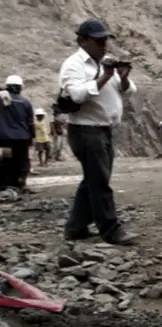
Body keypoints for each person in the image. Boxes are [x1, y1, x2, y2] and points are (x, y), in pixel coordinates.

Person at [58, 20, 138, 245]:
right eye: (99, 40)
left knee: (93, 179)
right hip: (85, 129)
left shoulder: (105, 63)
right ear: (83, 41)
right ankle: (110, 230)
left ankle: (76, 227)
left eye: (105, 40)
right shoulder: (73, 65)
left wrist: (121, 77)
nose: (104, 44)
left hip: (103, 129)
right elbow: (77, 95)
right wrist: (105, 75)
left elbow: (128, 91)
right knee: (99, 181)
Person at [0, 75, 34, 191]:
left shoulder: (1, 100)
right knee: (22, 160)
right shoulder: (25, 102)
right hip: (22, 137)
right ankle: (20, 183)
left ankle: (5, 184)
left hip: (4, 138)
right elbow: (30, 122)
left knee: (6, 160)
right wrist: (31, 136)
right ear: (20, 87)